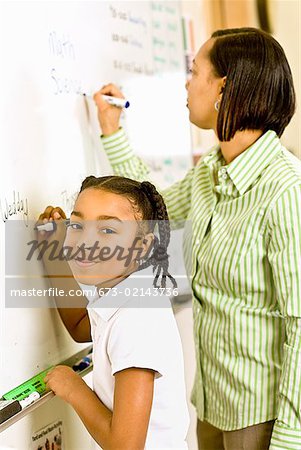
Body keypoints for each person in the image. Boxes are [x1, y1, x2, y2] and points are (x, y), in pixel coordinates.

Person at [93, 28, 301, 450]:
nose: (186, 83)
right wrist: (112, 131)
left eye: (194, 71)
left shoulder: (285, 190)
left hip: (264, 421)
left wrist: (289, 438)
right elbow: (151, 210)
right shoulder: (211, 170)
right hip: (210, 407)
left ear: (223, 87)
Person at [37, 176, 190, 449]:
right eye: (77, 225)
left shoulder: (137, 319)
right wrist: (52, 252)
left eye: (107, 230)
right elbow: (80, 325)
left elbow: (125, 446)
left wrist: (74, 388)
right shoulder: (121, 290)